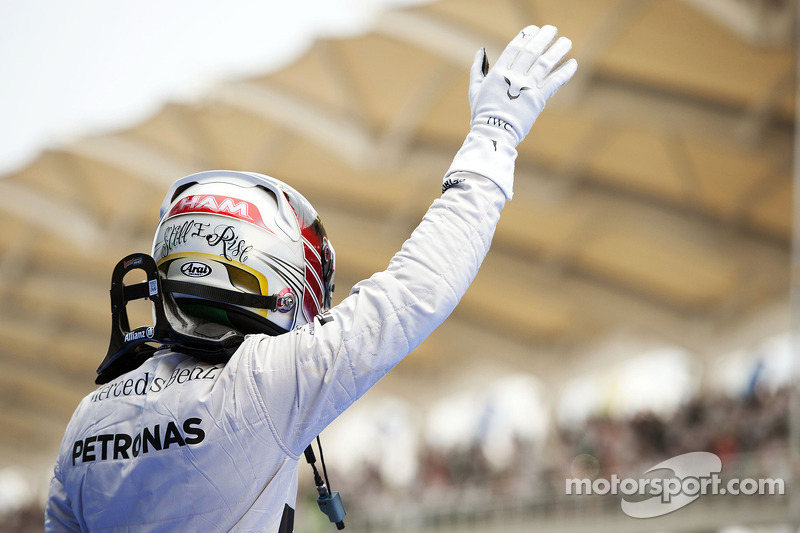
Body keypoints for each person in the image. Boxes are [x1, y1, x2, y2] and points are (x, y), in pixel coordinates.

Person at [45, 24, 577, 532]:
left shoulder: (87, 419)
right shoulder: (265, 380)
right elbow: (417, 290)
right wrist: (494, 134)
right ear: (261, 262)